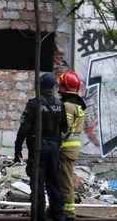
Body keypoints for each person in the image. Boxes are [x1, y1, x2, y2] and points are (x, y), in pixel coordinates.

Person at [14, 73, 67, 221]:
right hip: (54, 149)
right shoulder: (59, 104)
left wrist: (17, 148)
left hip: (39, 150)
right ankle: (58, 216)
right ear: (52, 87)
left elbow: (24, 128)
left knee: (38, 185)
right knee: (54, 184)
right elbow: (64, 128)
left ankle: (40, 217)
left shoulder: (34, 104)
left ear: (39, 85)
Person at [58, 71, 87, 221]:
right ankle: (56, 208)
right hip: (71, 149)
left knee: (65, 180)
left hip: (66, 149)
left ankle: (69, 213)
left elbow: (65, 128)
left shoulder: (68, 106)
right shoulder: (78, 104)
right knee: (61, 179)